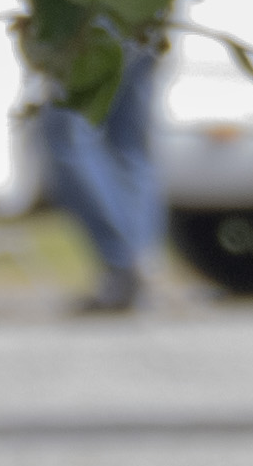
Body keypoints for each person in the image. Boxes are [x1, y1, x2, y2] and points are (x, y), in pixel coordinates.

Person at [33, 36, 167, 316]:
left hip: (97, 13)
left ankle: (122, 261)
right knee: (127, 142)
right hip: (150, 12)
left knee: (66, 133)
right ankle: (141, 259)